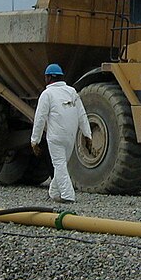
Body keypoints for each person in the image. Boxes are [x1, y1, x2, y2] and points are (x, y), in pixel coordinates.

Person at [31, 63, 92, 204]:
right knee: (62, 164)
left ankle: (68, 195)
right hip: (71, 136)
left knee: (59, 164)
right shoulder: (71, 92)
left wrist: (35, 140)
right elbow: (82, 114)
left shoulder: (47, 94)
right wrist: (87, 134)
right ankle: (53, 192)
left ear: (48, 77)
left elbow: (40, 118)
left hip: (56, 137)